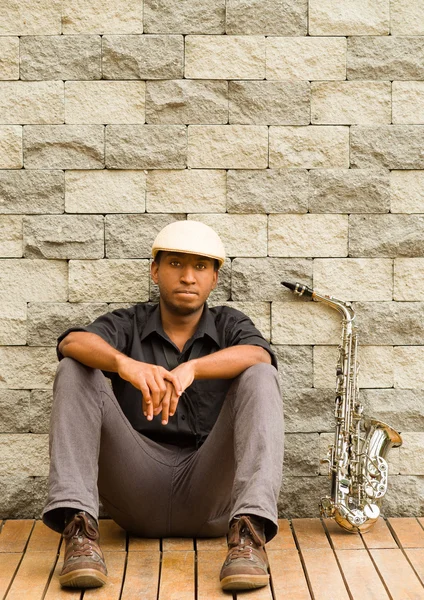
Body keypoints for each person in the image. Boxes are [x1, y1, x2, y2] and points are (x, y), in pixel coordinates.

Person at [42, 220, 284, 591]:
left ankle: (249, 538)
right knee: (75, 369)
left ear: (214, 279)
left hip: (210, 493)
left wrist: (192, 369)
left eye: (200, 267)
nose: (188, 277)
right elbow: (71, 342)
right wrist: (125, 364)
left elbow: (258, 354)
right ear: (155, 271)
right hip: (134, 490)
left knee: (260, 374)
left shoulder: (229, 324)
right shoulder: (129, 323)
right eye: (175, 264)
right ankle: (79, 536)